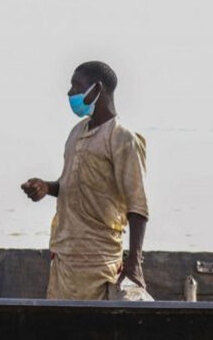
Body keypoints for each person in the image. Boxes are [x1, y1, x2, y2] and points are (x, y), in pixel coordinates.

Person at [21, 61, 149, 300]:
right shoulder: (76, 133)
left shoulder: (123, 139)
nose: (70, 93)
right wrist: (46, 187)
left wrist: (134, 263)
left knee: (91, 322)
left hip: (98, 263)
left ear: (97, 88)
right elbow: (71, 185)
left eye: (76, 86)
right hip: (64, 258)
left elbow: (138, 206)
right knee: (59, 320)